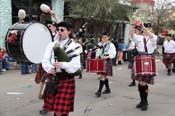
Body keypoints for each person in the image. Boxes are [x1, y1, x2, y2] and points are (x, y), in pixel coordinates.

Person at [42, 21, 81, 116]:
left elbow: (76, 65)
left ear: (69, 32)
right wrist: (49, 68)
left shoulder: (74, 46)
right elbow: (45, 59)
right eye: (58, 30)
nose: (59, 32)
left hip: (66, 79)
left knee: (60, 111)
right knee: (56, 109)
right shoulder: (51, 45)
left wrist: (63, 65)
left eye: (62, 30)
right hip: (53, 79)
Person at [130, 23, 157, 111]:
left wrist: (143, 27)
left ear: (151, 29)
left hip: (148, 59)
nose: (147, 30)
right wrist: (133, 26)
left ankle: (145, 101)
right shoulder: (139, 37)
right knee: (140, 83)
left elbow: (149, 34)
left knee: (144, 83)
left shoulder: (154, 37)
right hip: (140, 58)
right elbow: (132, 35)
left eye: (149, 28)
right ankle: (142, 100)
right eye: (146, 28)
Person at [94, 32, 116, 97]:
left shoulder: (111, 45)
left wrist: (106, 56)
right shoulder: (99, 44)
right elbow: (97, 51)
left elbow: (113, 54)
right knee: (105, 76)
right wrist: (97, 56)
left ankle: (99, 91)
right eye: (102, 37)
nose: (103, 38)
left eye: (105, 37)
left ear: (108, 37)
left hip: (107, 61)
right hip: (101, 61)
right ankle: (108, 89)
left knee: (102, 76)